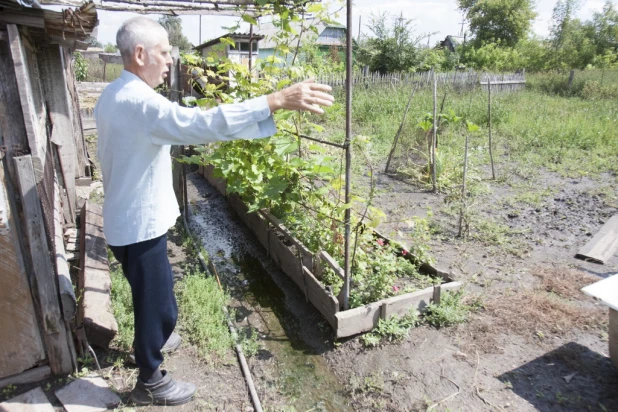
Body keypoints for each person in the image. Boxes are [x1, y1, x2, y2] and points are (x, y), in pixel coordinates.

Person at [95, 16, 334, 406]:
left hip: (128, 216)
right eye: (164, 52)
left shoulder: (113, 93)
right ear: (140, 55)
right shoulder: (139, 102)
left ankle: (156, 333)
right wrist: (273, 100)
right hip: (139, 224)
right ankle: (150, 381)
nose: (171, 59)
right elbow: (202, 124)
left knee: (153, 294)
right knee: (154, 299)